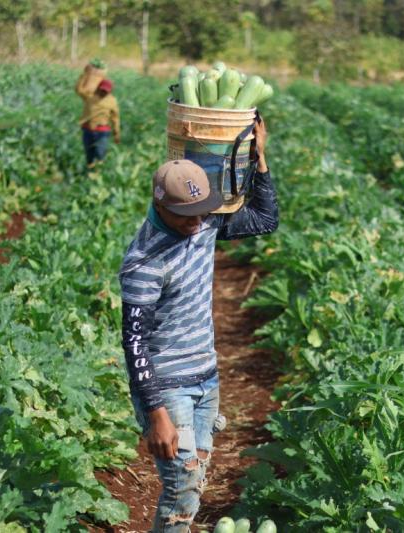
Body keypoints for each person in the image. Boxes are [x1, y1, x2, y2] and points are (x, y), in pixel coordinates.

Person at [119, 118, 277, 532]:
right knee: (182, 489)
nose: (196, 222)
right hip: (168, 387)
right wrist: (156, 413)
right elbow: (134, 341)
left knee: (195, 479)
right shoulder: (143, 262)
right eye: (185, 215)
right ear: (160, 206)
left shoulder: (203, 225)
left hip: (207, 378)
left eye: (200, 212)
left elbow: (265, 220)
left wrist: (259, 158)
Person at [75, 66, 121, 166]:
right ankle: (90, 171)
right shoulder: (89, 96)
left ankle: (99, 171)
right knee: (89, 155)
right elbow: (78, 90)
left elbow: (115, 118)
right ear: (98, 88)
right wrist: (84, 75)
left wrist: (116, 133)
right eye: (102, 90)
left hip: (102, 131)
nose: (103, 92)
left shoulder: (112, 101)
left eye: (106, 91)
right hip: (88, 129)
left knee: (100, 154)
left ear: (110, 91)